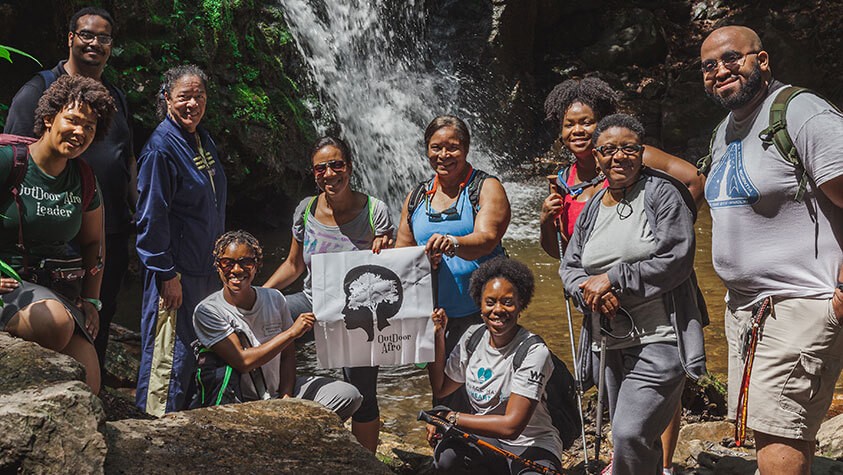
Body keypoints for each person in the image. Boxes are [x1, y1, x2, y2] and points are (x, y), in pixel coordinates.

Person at [699, 25, 843, 475]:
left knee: (782, 434)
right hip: (747, 310)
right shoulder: (724, 131)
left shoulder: (802, 113)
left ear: (761, 61)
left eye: (731, 59)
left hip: (801, 304)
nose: (720, 70)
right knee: (767, 430)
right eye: (708, 66)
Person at [540, 78, 698, 474]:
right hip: (608, 340)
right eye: (609, 151)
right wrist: (587, 292)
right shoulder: (592, 202)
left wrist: (614, 279)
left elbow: (677, 257)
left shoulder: (662, 193)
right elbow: (569, 265)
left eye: (629, 149)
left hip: (660, 336)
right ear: (598, 155)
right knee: (628, 433)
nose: (619, 157)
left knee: (629, 432)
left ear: (642, 153)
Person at [4, 6, 136, 379]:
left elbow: (127, 157)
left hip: (92, 242)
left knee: (95, 343)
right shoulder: (35, 93)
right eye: (87, 35)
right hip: (29, 250)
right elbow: (24, 151)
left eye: (104, 37)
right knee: (54, 324)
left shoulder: (114, 100)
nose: (81, 132)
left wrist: (136, 210)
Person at [264, 136, 393, 452]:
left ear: (349, 167)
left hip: (358, 311)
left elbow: (393, 272)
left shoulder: (375, 212)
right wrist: (260, 296)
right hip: (313, 302)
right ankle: (273, 402)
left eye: (336, 164)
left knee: (362, 393)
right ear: (314, 173)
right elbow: (294, 266)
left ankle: (366, 464)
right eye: (321, 168)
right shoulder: (305, 210)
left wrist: (387, 251)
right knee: (268, 318)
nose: (329, 173)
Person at [0, 75, 115, 394]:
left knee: (89, 379)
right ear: (49, 118)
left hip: (55, 288)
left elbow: (94, 242)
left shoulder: (84, 179)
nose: (80, 132)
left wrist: (92, 299)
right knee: (55, 324)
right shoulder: (9, 162)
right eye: (73, 120)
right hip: (9, 283)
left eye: (90, 127)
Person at [192, 230, 363, 419]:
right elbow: (243, 362)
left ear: (256, 266)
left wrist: (286, 398)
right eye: (227, 263)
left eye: (246, 262)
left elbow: (288, 355)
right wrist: (291, 333)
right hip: (236, 401)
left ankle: (299, 435)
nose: (236, 270)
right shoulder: (208, 311)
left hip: (277, 393)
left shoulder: (274, 298)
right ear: (218, 266)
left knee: (348, 396)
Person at [135, 65, 227, 415]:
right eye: (184, 97)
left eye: (199, 96)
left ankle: (184, 430)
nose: (192, 103)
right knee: (168, 357)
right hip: (175, 274)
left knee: (196, 354)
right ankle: (152, 430)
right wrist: (165, 273)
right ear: (167, 98)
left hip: (204, 268)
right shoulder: (161, 148)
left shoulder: (201, 138)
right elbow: (151, 216)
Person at [539, 77, 704, 258]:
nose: (577, 130)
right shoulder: (562, 182)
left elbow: (695, 180)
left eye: (586, 122)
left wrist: (669, 237)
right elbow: (563, 254)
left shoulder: (633, 158)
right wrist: (546, 222)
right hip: (590, 284)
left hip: (641, 278)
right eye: (569, 125)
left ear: (603, 124)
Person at [426, 257, 562, 474]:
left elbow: (511, 426)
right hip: (488, 441)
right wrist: (438, 338)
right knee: (446, 459)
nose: (498, 310)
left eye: (507, 302)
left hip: (531, 444)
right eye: (490, 302)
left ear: (521, 305)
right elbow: (441, 388)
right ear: (480, 305)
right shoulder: (472, 337)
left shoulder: (534, 352)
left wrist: (451, 417)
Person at [395, 115, 510, 356]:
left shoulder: (486, 187)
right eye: (436, 147)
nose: (443, 155)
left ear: (466, 149)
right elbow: (401, 257)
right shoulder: (416, 197)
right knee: (443, 391)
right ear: (427, 150)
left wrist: (452, 243)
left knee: (486, 388)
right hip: (436, 318)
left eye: (453, 148)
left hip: (485, 314)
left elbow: (487, 239)